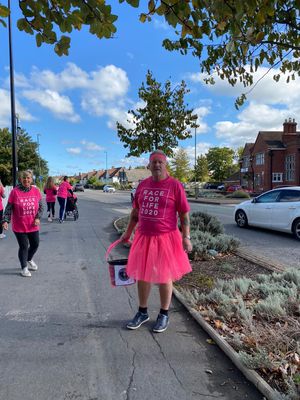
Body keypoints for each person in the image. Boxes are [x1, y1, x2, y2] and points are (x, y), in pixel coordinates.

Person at [120, 150, 193, 333]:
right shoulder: (142, 186)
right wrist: (127, 234)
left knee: (164, 276)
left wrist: (186, 237)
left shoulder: (175, 186)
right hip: (143, 237)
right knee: (142, 275)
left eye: (160, 161)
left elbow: (184, 214)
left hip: (166, 238)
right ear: (149, 165)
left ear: (165, 164)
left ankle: (164, 314)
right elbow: (135, 213)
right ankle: (143, 312)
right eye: (154, 162)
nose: (157, 165)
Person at [2, 170, 43, 277]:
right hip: (19, 226)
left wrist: (38, 217)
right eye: (24, 178)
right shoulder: (15, 192)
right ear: (20, 179)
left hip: (33, 224)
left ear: (31, 179)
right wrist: (6, 220)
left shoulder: (36, 191)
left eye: (28, 178)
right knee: (24, 246)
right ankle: (24, 267)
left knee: (35, 244)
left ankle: (29, 258)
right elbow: (9, 208)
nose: (26, 180)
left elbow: (41, 206)